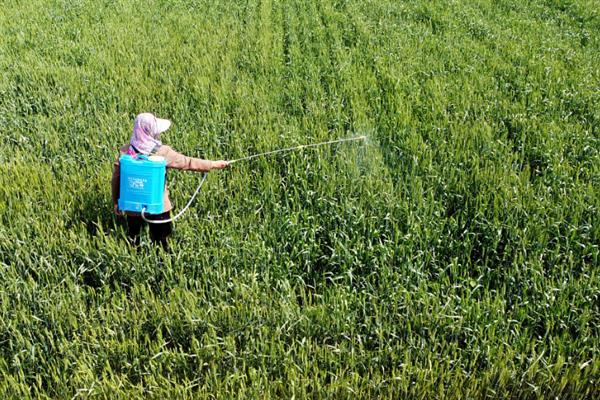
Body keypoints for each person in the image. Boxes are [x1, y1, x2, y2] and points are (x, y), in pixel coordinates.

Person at [111, 112, 228, 250]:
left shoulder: (125, 152)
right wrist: (212, 164)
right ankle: (162, 264)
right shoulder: (162, 152)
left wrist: (116, 202)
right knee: (162, 242)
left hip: (133, 207)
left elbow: (116, 179)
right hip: (158, 207)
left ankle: (135, 260)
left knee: (133, 238)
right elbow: (187, 162)